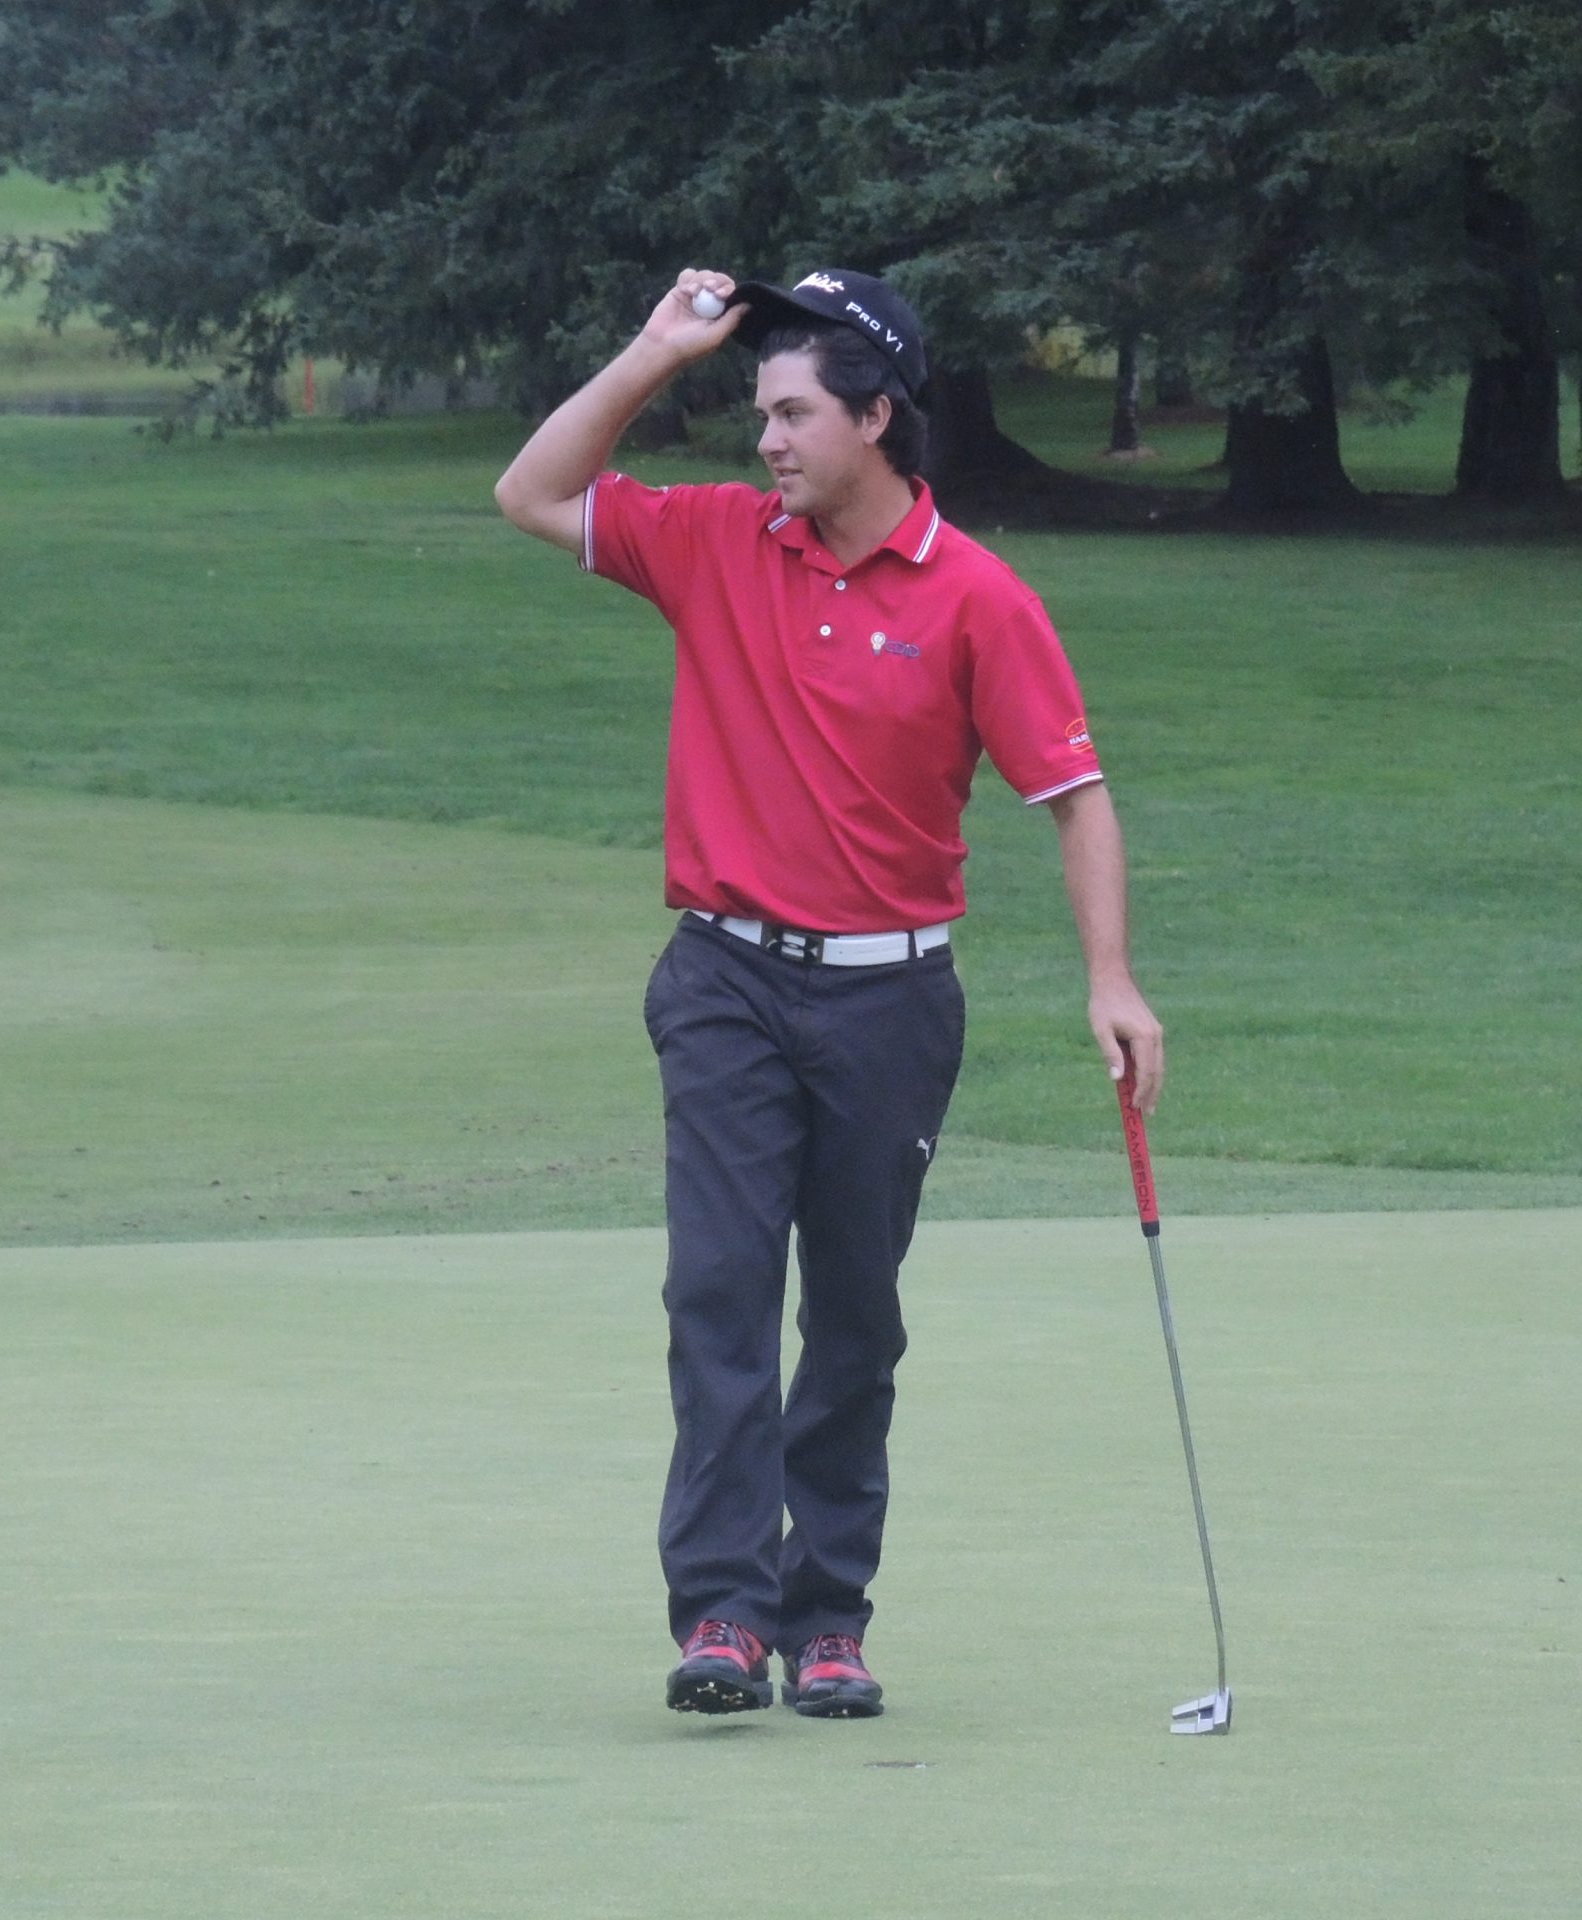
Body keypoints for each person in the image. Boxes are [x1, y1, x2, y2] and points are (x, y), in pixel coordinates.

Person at [494, 265, 1164, 1719]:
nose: (767, 442)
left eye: (793, 412)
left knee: (854, 1315)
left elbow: (1076, 798)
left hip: (890, 1003)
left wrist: (1112, 981)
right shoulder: (718, 542)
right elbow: (534, 492)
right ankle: (725, 1614)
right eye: (759, 413)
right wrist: (652, 354)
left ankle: (830, 1618)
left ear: (876, 417)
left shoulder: (979, 598)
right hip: (727, 980)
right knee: (721, 1291)